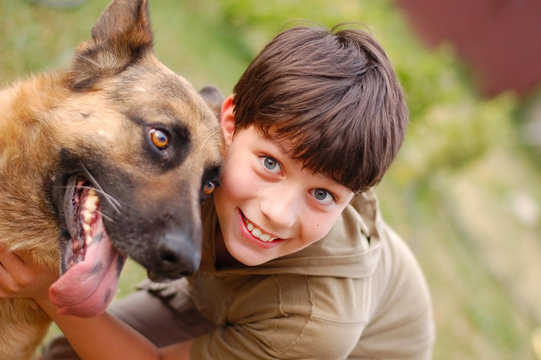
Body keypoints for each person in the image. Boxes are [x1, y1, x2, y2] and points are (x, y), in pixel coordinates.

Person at [0, 24, 434, 359]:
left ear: (349, 197)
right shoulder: (196, 142)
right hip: (221, 293)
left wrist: (45, 289)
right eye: (270, 163)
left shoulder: (313, 323)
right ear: (229, 122)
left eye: (323, 195)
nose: (277, 214)